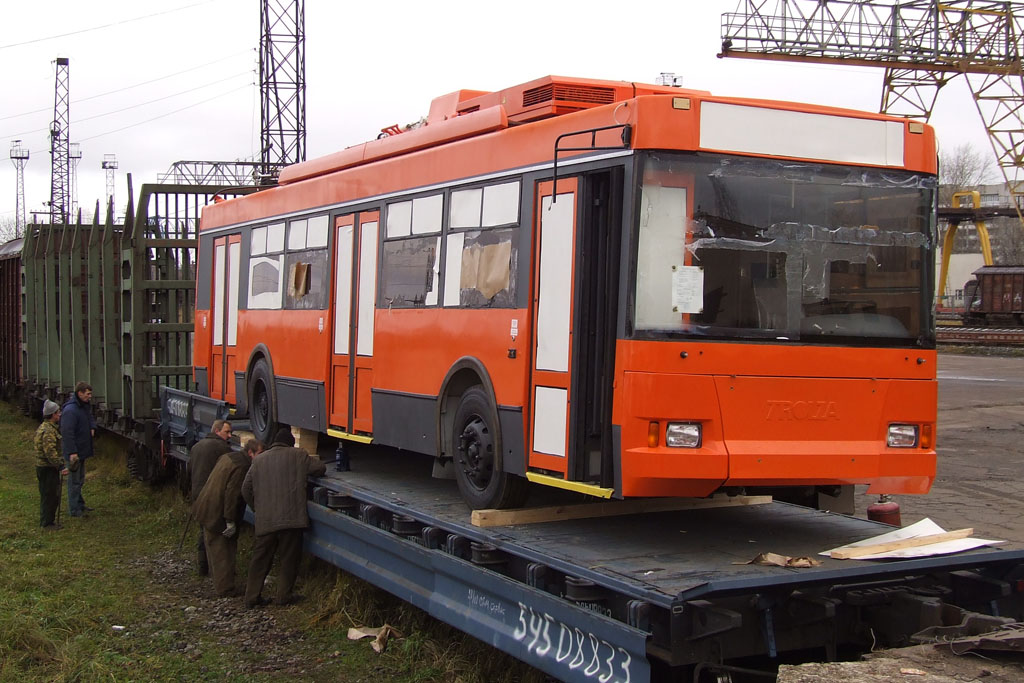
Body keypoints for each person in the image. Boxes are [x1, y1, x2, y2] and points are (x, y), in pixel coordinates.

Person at [242, 427, 326, 608]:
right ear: (291, 442)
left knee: (260, 560)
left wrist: (257, 509)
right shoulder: (299, 455)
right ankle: (283, 596)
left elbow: (245, 489)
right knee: (289, 559)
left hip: (266, 520)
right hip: (291, 520)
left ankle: (251, 597)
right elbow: (320, 468)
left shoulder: (258, 460)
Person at [191, 438, 265, 596]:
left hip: (205, 505)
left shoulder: (230, 457)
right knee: (222, 550)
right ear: (251, 453)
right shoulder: (243, 466)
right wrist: (230, 520)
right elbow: (232, 494)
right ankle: (225, 589)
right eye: (260, 453)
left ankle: (218, 581)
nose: (262, 457)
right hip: (217, 511)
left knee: (213, 547)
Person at [186, 419, 233, 575]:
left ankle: (202, 566)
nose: (230, 435)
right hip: (213, 496)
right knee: (216, 535)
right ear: (217, 431)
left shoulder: (196, 447)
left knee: (203, 531)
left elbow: (189, 471)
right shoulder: (223, 448)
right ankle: (217, 571)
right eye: (227, 432)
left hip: (197, 494)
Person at [60, 382, 97, 518]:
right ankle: (74, 509)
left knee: (80, 479)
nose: (90, 396)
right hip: (75, 452)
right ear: (80, 393)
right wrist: (72, 453)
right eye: (88, 394)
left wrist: (92, 427)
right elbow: (67, 433)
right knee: (74, 481)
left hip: (82, 450)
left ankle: (79, 503)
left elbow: (90, 418)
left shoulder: (83, 407)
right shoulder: (70, 411)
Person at [35, 400, 67, 529]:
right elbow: (50, 452)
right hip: (47, 468)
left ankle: (47, 520)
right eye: (58, 412)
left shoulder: (45, 427)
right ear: (53, 415)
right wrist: (60, 466)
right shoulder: (48, 431)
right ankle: (47, 523)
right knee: (50, 495)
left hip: (44, 466)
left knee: (49, 494)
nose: (59, 414)